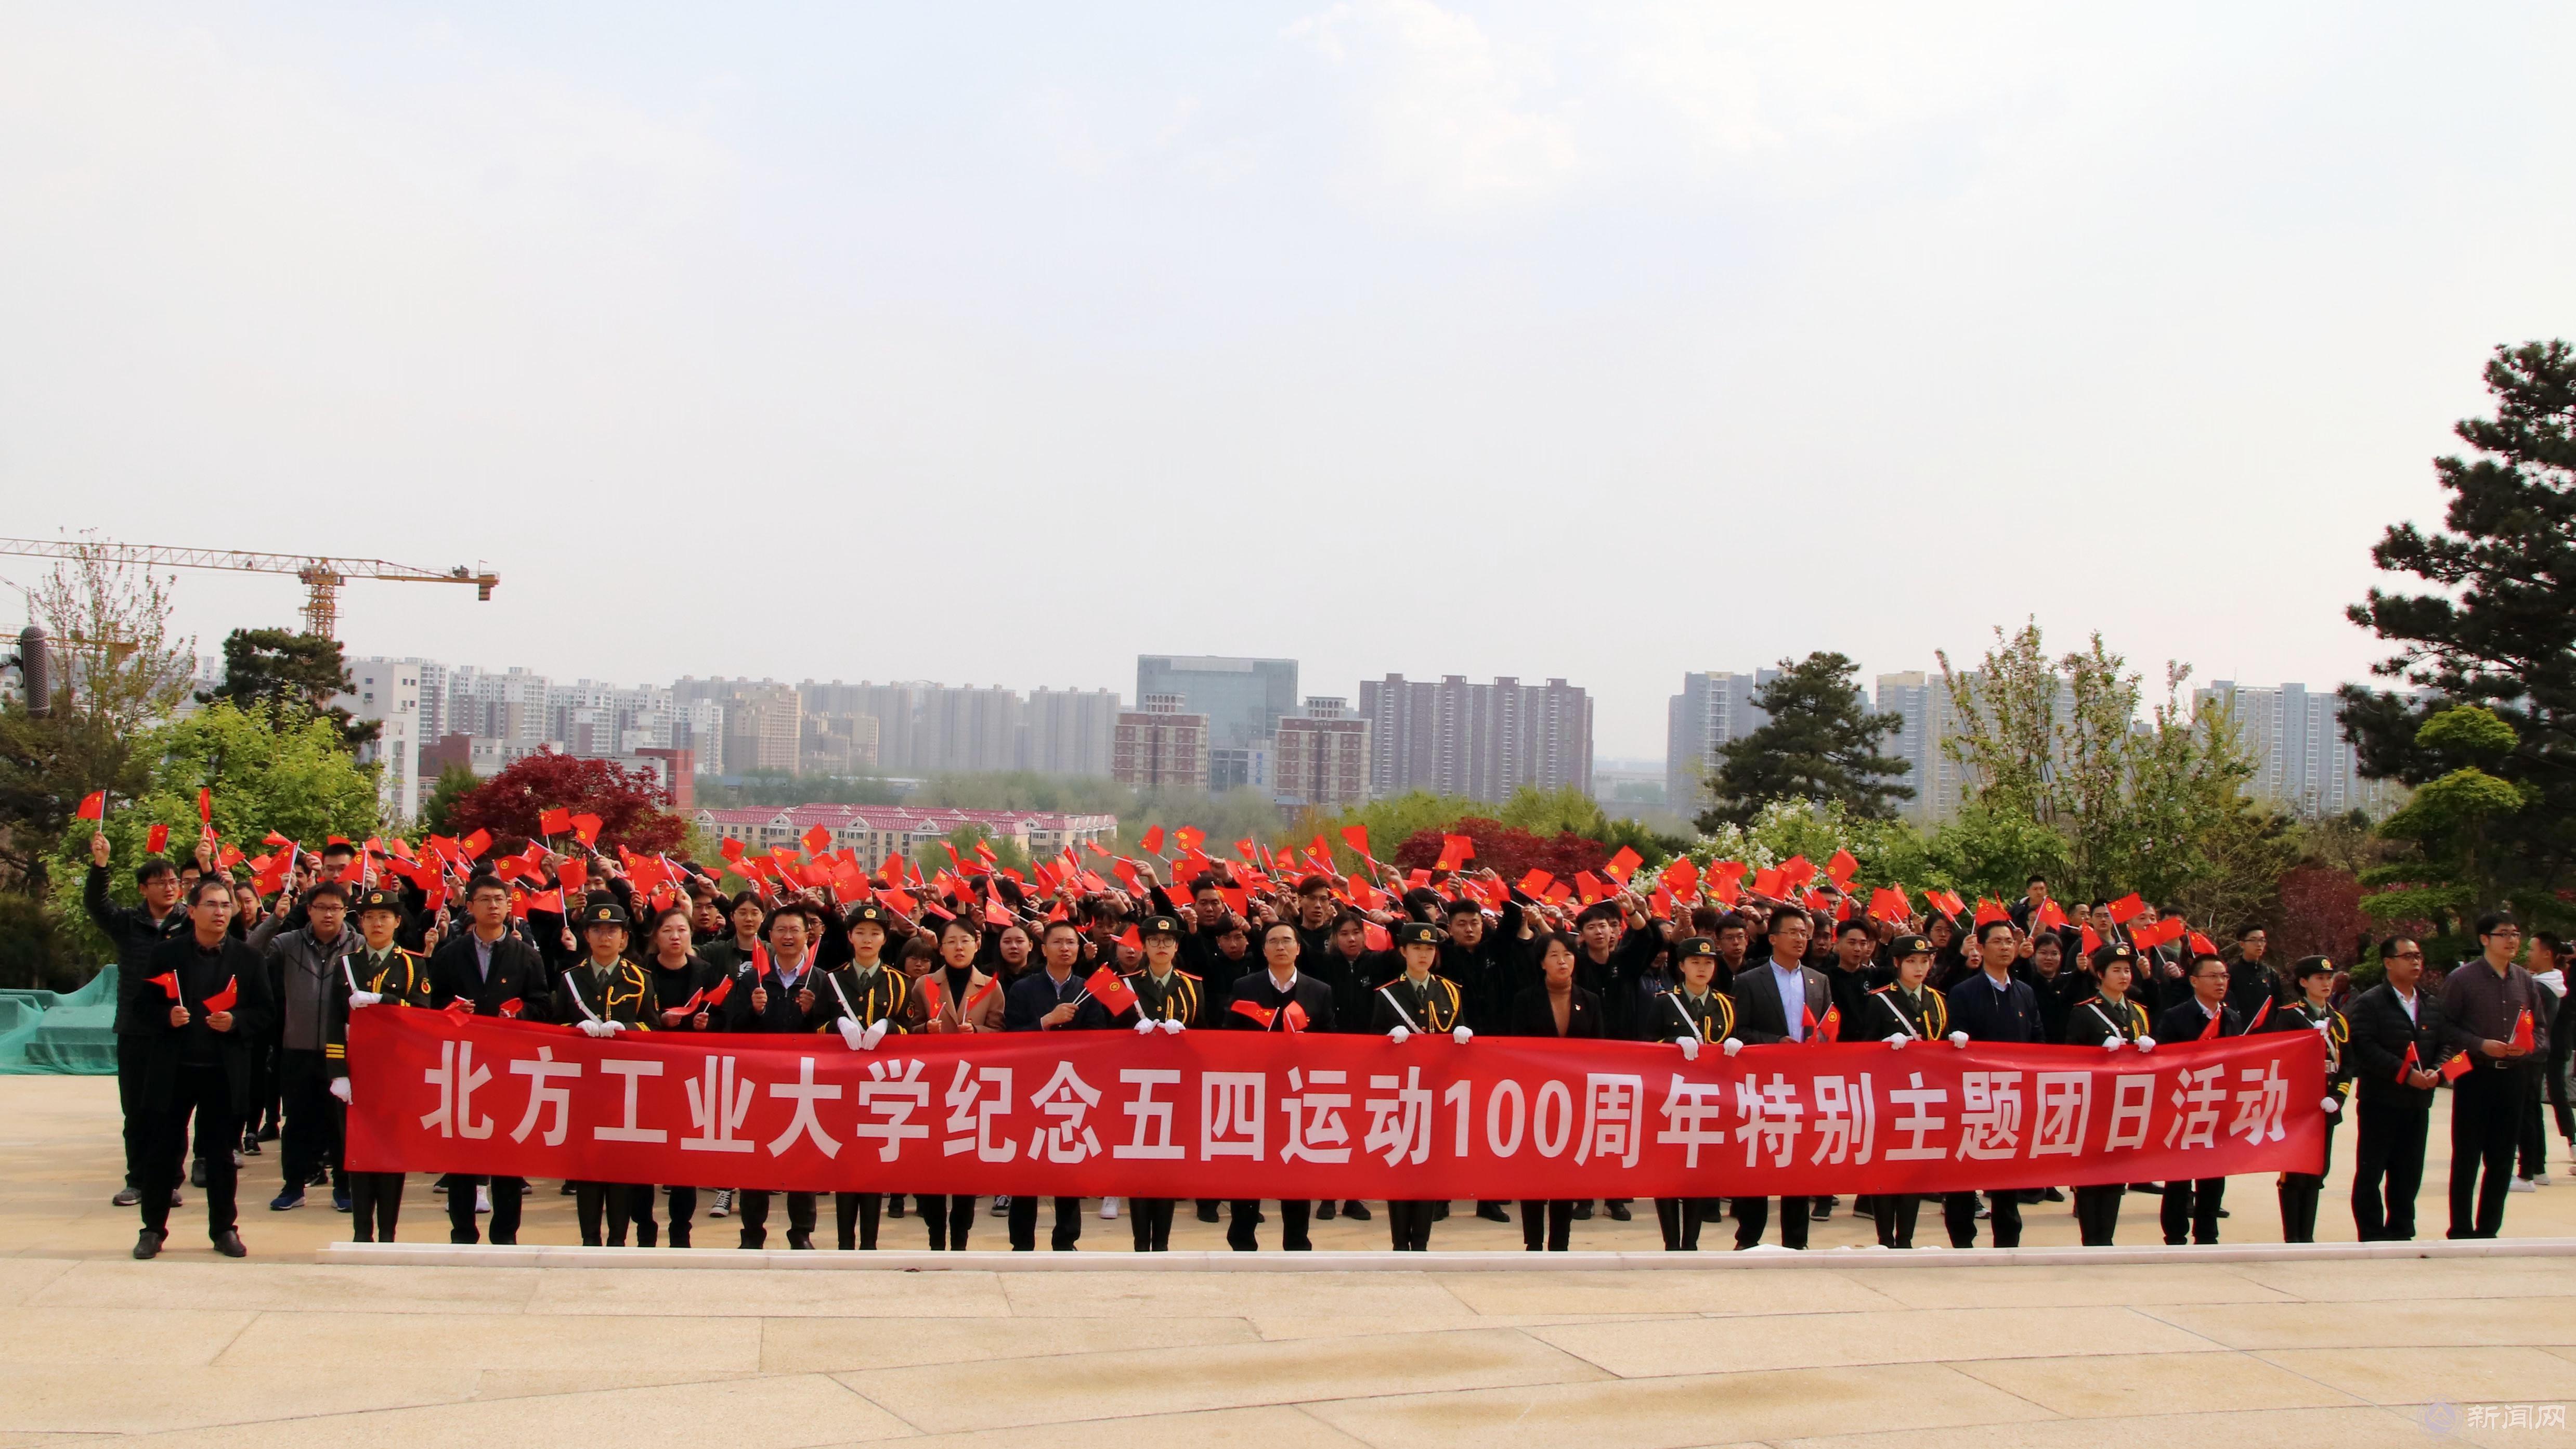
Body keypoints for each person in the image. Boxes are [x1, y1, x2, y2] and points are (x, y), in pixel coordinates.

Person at [133, 874, 275, 1259]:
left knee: (220, 1156)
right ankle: (152, 1230)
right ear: (192, 911)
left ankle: (224, 1229)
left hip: (222, 1071)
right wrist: (166, 1017)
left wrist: (236, 1021)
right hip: (174, 1070)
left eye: (226, 905)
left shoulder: (248, 958)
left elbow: (266, 1012)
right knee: (162, 1153)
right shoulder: (167, 954)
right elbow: (141, 1006)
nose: (220, 912)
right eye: (211, 904)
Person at [426, 874, 552, 1246]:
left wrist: (519, 1014)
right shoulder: (450, 954)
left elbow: (543, 1005)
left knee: (507, 1154)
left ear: (509, 905)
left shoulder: (526, 955)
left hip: (509, 1064)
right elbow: (432, 1004)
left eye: (499, 899)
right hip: (464, 1065)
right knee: (463, 1153)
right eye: (485, 900)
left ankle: (505, 1233)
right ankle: (463, 1232)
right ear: (470, 907)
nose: (493, 906)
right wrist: (451, 1010)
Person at [87, 830, 197, 1209]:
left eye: (173, 882)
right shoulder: (128, 923)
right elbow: (97, 905)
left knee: (173, 1112)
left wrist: (207, 866)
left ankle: (169, 1181)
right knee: (135, 1111)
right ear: (142, 889)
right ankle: (137, 1180)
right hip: (135, 1030)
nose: (169, 888)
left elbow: (222, 912)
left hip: (177, 1028)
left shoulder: (189, 922)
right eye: (160, 882)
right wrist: (101, 864)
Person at [323, 887, 433, 1242]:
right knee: (358, 1151)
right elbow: (332, 1021)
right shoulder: (346, 964)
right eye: (369, 918)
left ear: (397, 922)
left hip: (395, 1071)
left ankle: (388, 1232)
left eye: (384, 917)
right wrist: (338, 1073)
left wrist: (384, 1000)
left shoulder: (412, 964)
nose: (377, 924)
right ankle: (361, 1231)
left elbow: (423, 1015)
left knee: (391, 1152)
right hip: (356, 1071)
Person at [1225, 920, 1339, 1251]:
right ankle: (1242, 1237)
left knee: (1295, 1166)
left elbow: (1330, 1041)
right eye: (1273, 941)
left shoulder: (1319, 990)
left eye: (1287, 941)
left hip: (1298, 1093)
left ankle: (1297, 1239)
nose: (1280, 947)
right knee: (1249, 1166)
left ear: (1298, 948)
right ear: (1263, 950)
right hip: (1254, 1091)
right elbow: (1228, 1037)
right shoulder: (1245, 986)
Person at [804, 902, 913, 1250]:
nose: (868, 939)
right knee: (846, 1164)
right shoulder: (831, 980)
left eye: (875, 933)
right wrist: (837, 1024)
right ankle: (844, 1244)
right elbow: (814, 1027)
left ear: (885, 939)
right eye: (861, 933)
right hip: (842, 1086)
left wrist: (888, 1026)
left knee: (872, 1164)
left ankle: (869, 1244)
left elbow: (913, 1031)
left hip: (881, 1087)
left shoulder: (900, 983)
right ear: (850, 936)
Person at [249, 879, 359, 1213]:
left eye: (335, 908)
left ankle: (344, 1187)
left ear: (345, 911)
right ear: (309, 910)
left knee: (340, 1123)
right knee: (297, 1121)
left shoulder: (358, 945)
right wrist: (274, 920)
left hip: (342, 1051)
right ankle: (293, 1186)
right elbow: (250, 952)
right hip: (297, 1047)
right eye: (321, 907)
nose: (328, 914)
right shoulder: (289, 942)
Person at [1005, 913, 1113, 1252]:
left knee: (1068, 1166)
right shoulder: (1023, 988)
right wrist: (1046, 1022)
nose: (1065, 948)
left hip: (1071, 1090)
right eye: (1058, 942)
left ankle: (1066, 1240)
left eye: (1071, 943)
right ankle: (1022, 1242)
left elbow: (1098, 1037)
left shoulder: (1089, 989)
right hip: (1031, 1089)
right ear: (1043, 949)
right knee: (1027, 1168)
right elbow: (1010, 1038)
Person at [2439, 912, 2550, 1239]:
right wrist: (2480, 1044)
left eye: (2515, 934)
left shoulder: (2525, 980)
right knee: (2467, 1154)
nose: (2512, 940)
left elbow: (2540, 1028)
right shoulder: (2462, 979)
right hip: (2474, 1073)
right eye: (2504, 934)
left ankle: (2489, 1229)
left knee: (2502, 1157)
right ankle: (2461, 1229)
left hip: (2513, 1075)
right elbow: (2444, 1026)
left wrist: (2527, 1049)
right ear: (2485, 939)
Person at [1729, 907, 1833, 1250]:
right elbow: (1740, 1031)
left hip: (1804, 1084)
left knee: (1798, 1161)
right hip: (1763, 1083)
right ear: (1773, 938)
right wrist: (1774, 1042)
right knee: (1759, 1158)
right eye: (1793, 932)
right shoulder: (1749, 980)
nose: (1801, 939)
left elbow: (1826, 1027)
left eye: (1804, 933)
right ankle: (1749, 1237)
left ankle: (1796, 1241)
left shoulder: (1819, 981)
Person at [724, 902, 827, 1249]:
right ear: (769, 936)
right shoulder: (753, 978)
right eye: (781, 930)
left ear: (807, 936)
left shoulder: (819, 979)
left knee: (802, 1159)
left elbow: (830, 1032)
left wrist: (813, 1013)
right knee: (756, 1161)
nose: (788, 936)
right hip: (760, 1083)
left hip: (804, 1083)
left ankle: (801, 1233)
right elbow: (732, 1029)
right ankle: (752, 1234)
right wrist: (754, 1012)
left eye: (795, 930)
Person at [558, 902, 658, 1246]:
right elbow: (554, 1025)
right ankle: (590, 1239)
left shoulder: (640, 979)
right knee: (587, 1166)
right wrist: (574, 1030)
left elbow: (653, 1028)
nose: (605, 937)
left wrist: (627, 1029)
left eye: (613, 931)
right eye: (598, 931)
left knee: (619, 1167)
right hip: (583, 1084)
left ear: (624, 938)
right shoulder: (571, 979)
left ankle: (618, 1239)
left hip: (624, 1086)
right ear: (586, 936)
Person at [1370, 921, 1469, 1251]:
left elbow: (1459, 1033)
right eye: (1417, 948)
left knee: (1430, 1168)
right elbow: (1371, 1044)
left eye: (1430, 949)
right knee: (1399, 1166)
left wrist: (1464, 1034)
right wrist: (1387, 1040)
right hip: (1400, 1093)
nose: (1424, 954)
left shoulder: (1451, 992)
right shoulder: (1387, 994)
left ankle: (1422, 1242)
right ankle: (1400, 1242)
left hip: (1438, 1091)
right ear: (1403, 951)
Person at [1945, 918, 2044, 1248]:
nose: (2005, 947)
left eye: (2009, 941)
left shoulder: (2025, 992)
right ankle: (1962, 1239)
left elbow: (2037, 1040)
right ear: (1981, 947)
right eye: (1998, 941)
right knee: (1965, 1170)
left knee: (2007, 1170)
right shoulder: (1964, 992)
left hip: (2013, 1095)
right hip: (1973, 1095)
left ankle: (2007, 1237)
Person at [2344, 937, 2448, 1241]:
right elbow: (2364, 1046)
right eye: (2408, 956)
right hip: (2381, 1100)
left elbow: (2445, 1044)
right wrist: (2404, 1074)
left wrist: (2437, 1071)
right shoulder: (2370, 1003)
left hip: (2418, 1102)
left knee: (2409, 1170)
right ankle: (2371, 1232)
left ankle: (2402, 1229)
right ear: (2388, 963)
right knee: (2372, 1170)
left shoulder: (2430, 1003)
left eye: (2418, 956)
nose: (2416, 962)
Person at [1108, 916, 1198, 1251]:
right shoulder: (1127, 985)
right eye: (1154, 941)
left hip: (1175, 1088)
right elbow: (1108, 1034)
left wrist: (1186, 1037)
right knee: (1139, 1165)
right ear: (1144, 947)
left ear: (1176, 947)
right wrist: (1131, 1036)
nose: (1161, 946)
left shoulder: (1192, 986)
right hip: (1135, 1088)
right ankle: (1139, 1244)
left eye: (1168, 941)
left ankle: (1161, 1243)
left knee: (1167, 1166)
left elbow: (1205, 1034)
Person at [1507, 932, 1601, 1251]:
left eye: (1568, 955)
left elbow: (1601, 1052)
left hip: (1575, 1099)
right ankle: (1533, 1243)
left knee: (1566, 1173)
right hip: (1535, 1097)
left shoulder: (1590, 1000)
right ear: (1542, 963)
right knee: (1533, 1172)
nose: (1563, 962)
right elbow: (1516, 1051)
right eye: (1555, 956)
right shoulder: (1525, 1000)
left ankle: (1561, 1243)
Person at [1645, 936, 1737, 1251]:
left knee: (1699, 1172)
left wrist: (1736, 1045)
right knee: (1668, 1172)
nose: (1702, 968)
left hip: (1709, 1099)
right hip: (1671, 1098)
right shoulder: (1664, 1002)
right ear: (1682, 966)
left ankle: (1691, 1242)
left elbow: (1734, 1039)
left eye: (1709, 963)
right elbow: (1645, 1045)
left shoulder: (1726, 1005)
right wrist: (1673, 1043)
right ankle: (1672, 1241)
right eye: (1695, 962)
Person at [1864, 933, 1953, 1248]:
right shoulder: (1879, 1000)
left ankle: (1906, 1238)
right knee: (1886, 1168)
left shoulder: (1938, 1000)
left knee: (1913, 1168)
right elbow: (1862, 1049)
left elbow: (1941, 1041)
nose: (1919, 968)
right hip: (1890, 1096)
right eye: (1912, 961)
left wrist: (1954, 1043)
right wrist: (1883, 1047)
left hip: (1924, 1097)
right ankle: (1885, 1237)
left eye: (1925, 961)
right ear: (1897, 963)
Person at [643, 904, 723, 1247]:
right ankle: (644, 1229)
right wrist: (660, 1021)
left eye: (682, 930)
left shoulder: (706, 971)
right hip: (649, 1074)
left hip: (691, 1075)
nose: (675, 937)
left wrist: (707, 1024)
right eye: (667, 931)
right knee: (645, 1157)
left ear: (691, 935)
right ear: (656, 937)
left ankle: (681, 1231)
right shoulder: (641, 972)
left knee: (683, 1158)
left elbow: (724, 1017)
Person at [2065, 943, 2154, 1245]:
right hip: (2096, 1105)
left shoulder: (2139, 1013)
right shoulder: (2085, 1012)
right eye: (2117, 970)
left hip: (2126, 1105)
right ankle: (2092, 1238)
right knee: (2092, 1173)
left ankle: (2107, 1237)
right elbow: (2071, 1059)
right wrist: (2097, 1055)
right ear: (2101, 975)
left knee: (2117, 1172)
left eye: (2127, 970)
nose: (2124, 976)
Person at [2155, 953, 2245, 1245]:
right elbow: (2163, 1063)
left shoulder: (2232, 1018)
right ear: (2194, 981)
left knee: (2214, 1174)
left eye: (2224, 976)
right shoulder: (2175, 1017)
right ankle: (2175, 1235)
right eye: (2213, 976)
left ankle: (2207, 1234)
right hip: (2184, 1106)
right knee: (2179, 1175)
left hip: (2218, 1106)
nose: (2221, 982)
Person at [2268, 954, 2351, 1243]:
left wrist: (2337, 1098)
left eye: (2329, 978)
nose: (2326, 983)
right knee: (2295, 1172)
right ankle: (2293, 1237)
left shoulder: (2339, 1020)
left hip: (2325, 1107)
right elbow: (2282, 1061)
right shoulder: (2290, 1016)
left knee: (2317, 1171)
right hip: (2299, 1108)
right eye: (2319, 978)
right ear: (2303, 982)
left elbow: (2347, 1066)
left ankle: (2307, 1237)